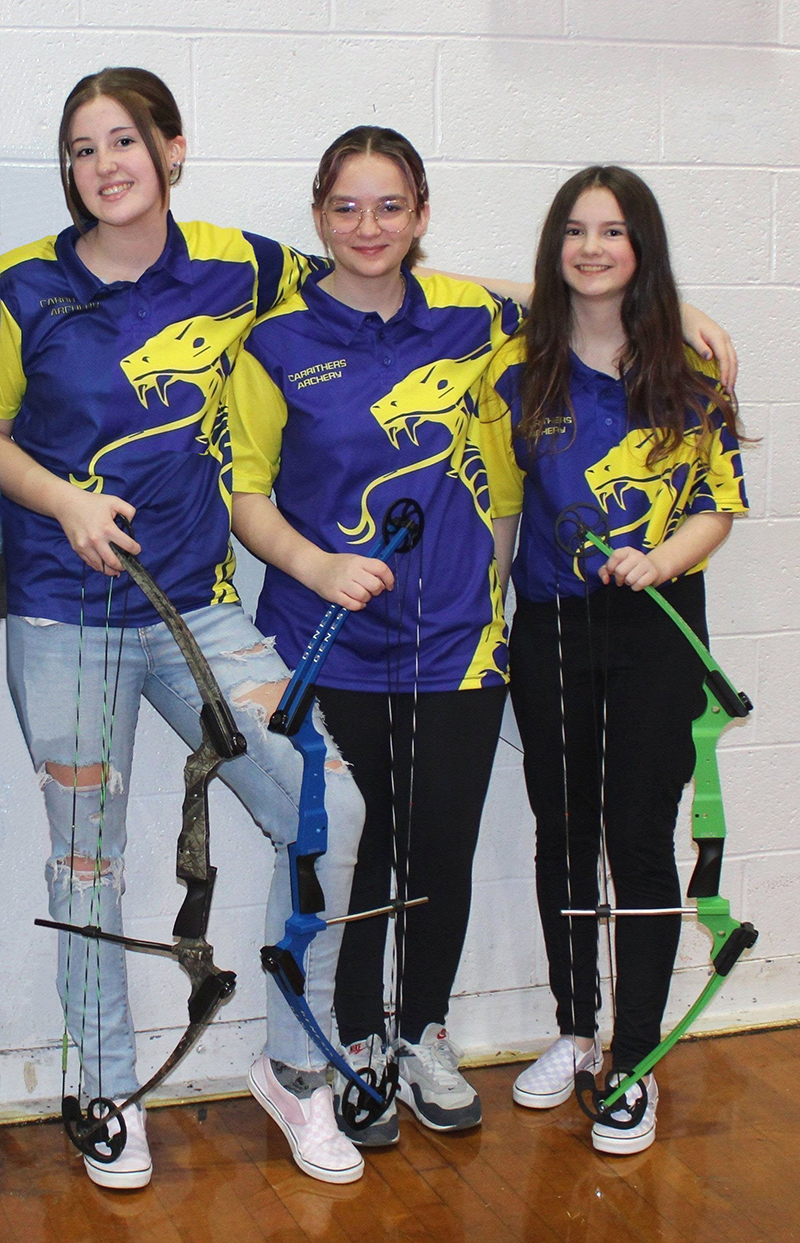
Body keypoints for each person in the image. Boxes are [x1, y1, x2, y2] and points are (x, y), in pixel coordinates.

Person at [225, 131, 737, 1149]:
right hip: (327, 641)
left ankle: (421, 1033)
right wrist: (320, 568)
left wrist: (680, 307)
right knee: (354, 854)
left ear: (421, 215)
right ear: (319, 212)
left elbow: (571, 293)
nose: (367, 229)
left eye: (390, 208)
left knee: (440, 855)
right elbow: (242, 491)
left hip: (460, 646)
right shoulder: (272, 341)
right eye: (346, 208)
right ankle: (355, 1038)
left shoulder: (475, 321)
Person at [0, 67, 367, 1189]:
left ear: (171, 148)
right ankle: (105, 1084)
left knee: (325, 806)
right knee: (88, 862)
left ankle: (296, 1070)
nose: (104, 164)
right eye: (81, 148)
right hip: (62, 617)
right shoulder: (21, 284)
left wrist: (605, 303)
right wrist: (62, 500)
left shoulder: (238, 264)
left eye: (124, 140)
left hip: (198, 608)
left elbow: (376, 271)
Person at [477, 165, 748, 1155]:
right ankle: (574, 1030)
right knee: (562, 832)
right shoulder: (521, 367)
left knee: (635, 839)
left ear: (642, 250)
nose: (593, 248)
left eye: (614, 231)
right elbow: (436, 281)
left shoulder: (686, 367)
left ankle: (631, 1059)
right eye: (574, 231)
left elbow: (717, 502)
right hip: (548, 629)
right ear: (554, 249)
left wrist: (658, 559)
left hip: (656, 629)